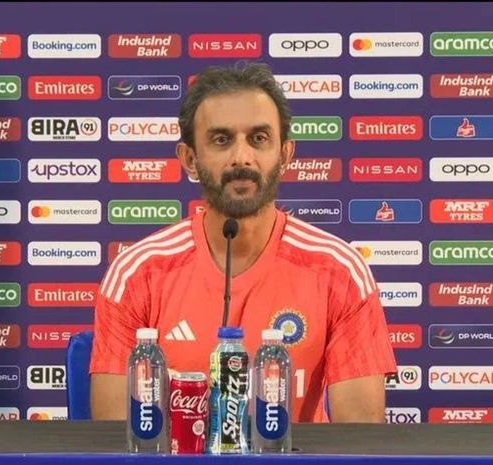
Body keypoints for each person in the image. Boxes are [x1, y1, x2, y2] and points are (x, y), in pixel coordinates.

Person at [89, 61, 397, 423]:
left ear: (284, 154)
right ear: (190, 158)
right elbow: (116, 441)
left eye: (259, 138)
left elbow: (358, 441)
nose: (242, 157)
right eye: (221, 140)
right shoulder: (137, 274)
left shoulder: (338, 271)